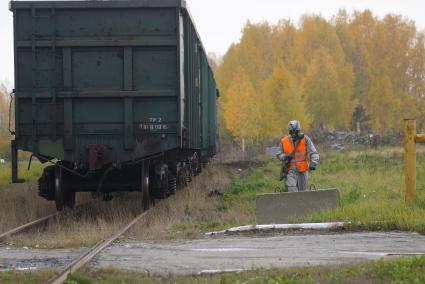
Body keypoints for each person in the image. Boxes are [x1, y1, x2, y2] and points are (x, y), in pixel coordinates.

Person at [276, 120, 319, 192]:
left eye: (295, 131)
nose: (293, 133)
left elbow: (314, 152)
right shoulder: (284, 141)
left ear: (299, 130)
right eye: (291, 131)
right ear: (289, 131)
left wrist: (314, 163)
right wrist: (285, 156)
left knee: (303, 192)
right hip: (290, 171)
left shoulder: (305, 139)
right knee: (292, 191)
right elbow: (278, 154)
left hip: (302, 170)